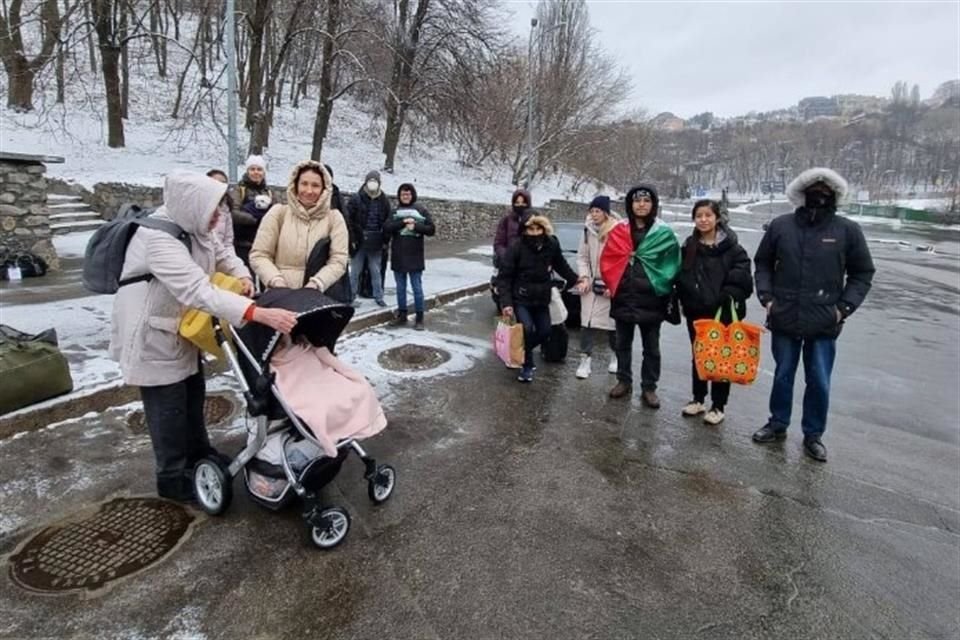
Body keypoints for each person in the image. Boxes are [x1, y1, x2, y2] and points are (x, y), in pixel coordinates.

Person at [110, 171, 298, 502]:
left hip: (179, 328)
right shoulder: (157, 239)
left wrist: (242, 274)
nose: (216, 221)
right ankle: (173, 477)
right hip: (150, 333)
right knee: (167, 407)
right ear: (193, 207)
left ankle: (200, 455)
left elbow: (222, 253)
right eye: (213, 214)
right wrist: (255, 312)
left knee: (192, 395)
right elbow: (199, 289)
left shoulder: (194, 225)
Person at [751, 168, 874, 462]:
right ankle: (777, 423)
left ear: (834, 195)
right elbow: (763, 263)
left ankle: (813, 434)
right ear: (802, 192)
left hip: (824, 320)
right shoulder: (781, 226)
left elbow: (862, 273)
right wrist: (767, 298)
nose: (819, 193)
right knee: (783, 375)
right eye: (813, 188)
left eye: (825, 189)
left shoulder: (847, 231)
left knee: (819, 379)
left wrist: (842, 309)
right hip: (784, 315)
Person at [601, 184, 681, 408]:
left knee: (652, 348)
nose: (642, 205)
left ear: (653, 204)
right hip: (624, 297)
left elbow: (672, 264)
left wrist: (660, 286)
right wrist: (614, 283)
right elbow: (608, 260)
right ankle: (623, 381)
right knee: (622, 344)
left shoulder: (663, 233)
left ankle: (649, 387)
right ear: (630, 204)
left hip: (652, 300)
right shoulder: (618, 231)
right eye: (637, 201)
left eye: (647, 201)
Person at [675, 199, 753, 425]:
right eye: (699, 216)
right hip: (696, 311)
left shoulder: (733, 248)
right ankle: (698, 398)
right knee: (699, 355)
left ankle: (718, 406)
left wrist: (728, 293)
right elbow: (682, 274)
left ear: (717, 218)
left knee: (721, 358)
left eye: (708, 215)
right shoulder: (689, 246)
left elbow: (743, 278)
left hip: (723, 312)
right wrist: (685, 295)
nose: (703, 220)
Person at [249, 160, 349, 298]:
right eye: (304, 184)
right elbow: (259, 254)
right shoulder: (278, 213)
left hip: (318, 297)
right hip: (280, 298)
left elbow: (338, 260)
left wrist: (317, 283)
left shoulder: (334, 218)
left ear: (324, 189)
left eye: (315, 185)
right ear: (295, 185)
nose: (309, 191)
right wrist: (276, 281)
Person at [497, 215, 579, 383]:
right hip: (521, 297)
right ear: (525, 230)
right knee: (526, 328)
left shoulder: (551, 245)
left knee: (545, 332)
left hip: (542, 298)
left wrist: (576, 281)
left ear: (544, 229)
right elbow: (504, 276)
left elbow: (561, 265)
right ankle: (527, 366)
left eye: (538, 229)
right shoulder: (517, 247)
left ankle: (519, 351)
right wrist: (506, 303)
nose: (534, 233)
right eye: (530, 229)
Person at [572, 195, 620, 379]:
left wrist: (614, 284)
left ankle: (615, 357)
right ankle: (585, 360)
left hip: (610, 284)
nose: (594, 215)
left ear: (606, 212)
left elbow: (622, 260)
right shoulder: (587, 231)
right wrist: (584, 278)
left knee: (612, 325)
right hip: (591, 284)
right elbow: (582, 257)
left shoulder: (617, 231)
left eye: (597, 211)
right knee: (587, 324)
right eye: (591, 211)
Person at [384, 183, 436, 330]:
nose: (405, 196)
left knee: (417, 288)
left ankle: (419, 318)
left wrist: (416, 227)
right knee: (400, 288)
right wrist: (402, 223)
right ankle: (402, 315)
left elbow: (431, 229)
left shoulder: (421, 210)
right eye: (402, 194)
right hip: (398, 255)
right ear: (399, 196)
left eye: (408, 194)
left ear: (412, 194)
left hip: (415, 255)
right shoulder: (395, 211)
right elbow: (386, 228)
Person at [347, 170, 391, 306]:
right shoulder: (356, 198)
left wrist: (385, 240)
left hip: (376, 242)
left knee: (376, 271)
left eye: (375, 181)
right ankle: (350, 297)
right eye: (370, 181)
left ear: (379, 183)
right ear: (366, 182)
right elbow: (348, 220)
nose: (373, 184)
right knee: (354, 272)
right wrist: (352, 239)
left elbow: (388, 222)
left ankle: (378, 296)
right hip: (359, 241)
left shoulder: (384, 200)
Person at [231, 155, 272, 266]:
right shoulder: (239, 190)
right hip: (242, 244)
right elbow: (233, 213)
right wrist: (254, 219)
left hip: (263, 244)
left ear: (264, 172)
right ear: (247, 171)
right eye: (252, 169)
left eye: (259, 169)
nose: (256, 172)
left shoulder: (269, 192)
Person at [493, 188, 533, 267]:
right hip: (510, 265)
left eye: (523, 203)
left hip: (529, 266)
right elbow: (499, 243)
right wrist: (507, 256)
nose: (520, 205)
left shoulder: (535, 219)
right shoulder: (506, 220)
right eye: (517, 203)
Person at [205, 169, 235, 251]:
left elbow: (228, 242)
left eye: (223, 183)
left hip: (221, 256)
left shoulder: (226, 208)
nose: (219, 186)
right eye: (215, 182)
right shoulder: (199, 206)